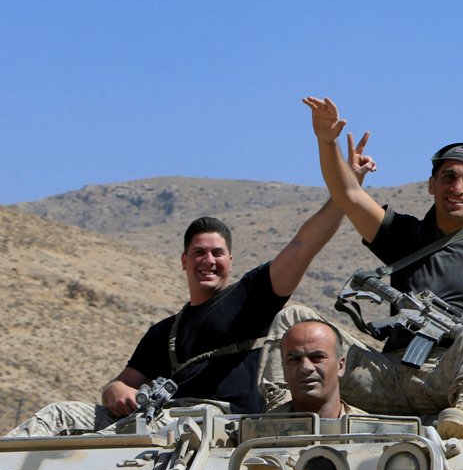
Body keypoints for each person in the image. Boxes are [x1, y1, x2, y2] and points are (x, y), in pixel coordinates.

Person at [7, 152, 364, 437]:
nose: (208, 261)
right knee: (58, 417)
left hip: (219, 427)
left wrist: (346, 191)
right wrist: (116, 393)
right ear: (184, 260)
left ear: (229, 260)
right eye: (199, 253)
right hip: (160, 424)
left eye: (217, 253)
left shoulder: (252, 298)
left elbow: (304, 244)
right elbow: (122, 384)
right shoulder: (165, 332)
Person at [301, 96, 463, 442]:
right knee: (297, 322)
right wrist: (325, 141)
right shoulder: (404, 235)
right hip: (387, 375)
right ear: (431, 185)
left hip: (453, 380)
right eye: (448, 177)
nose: (457, 188)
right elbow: (347, 194)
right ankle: (282, 414)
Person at [268, 319, 363, 417]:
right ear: (284, 370)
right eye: (295, 359)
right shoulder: (262, 429)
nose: (305, 367)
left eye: (317, 357)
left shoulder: (371, 430)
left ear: (340, 366)